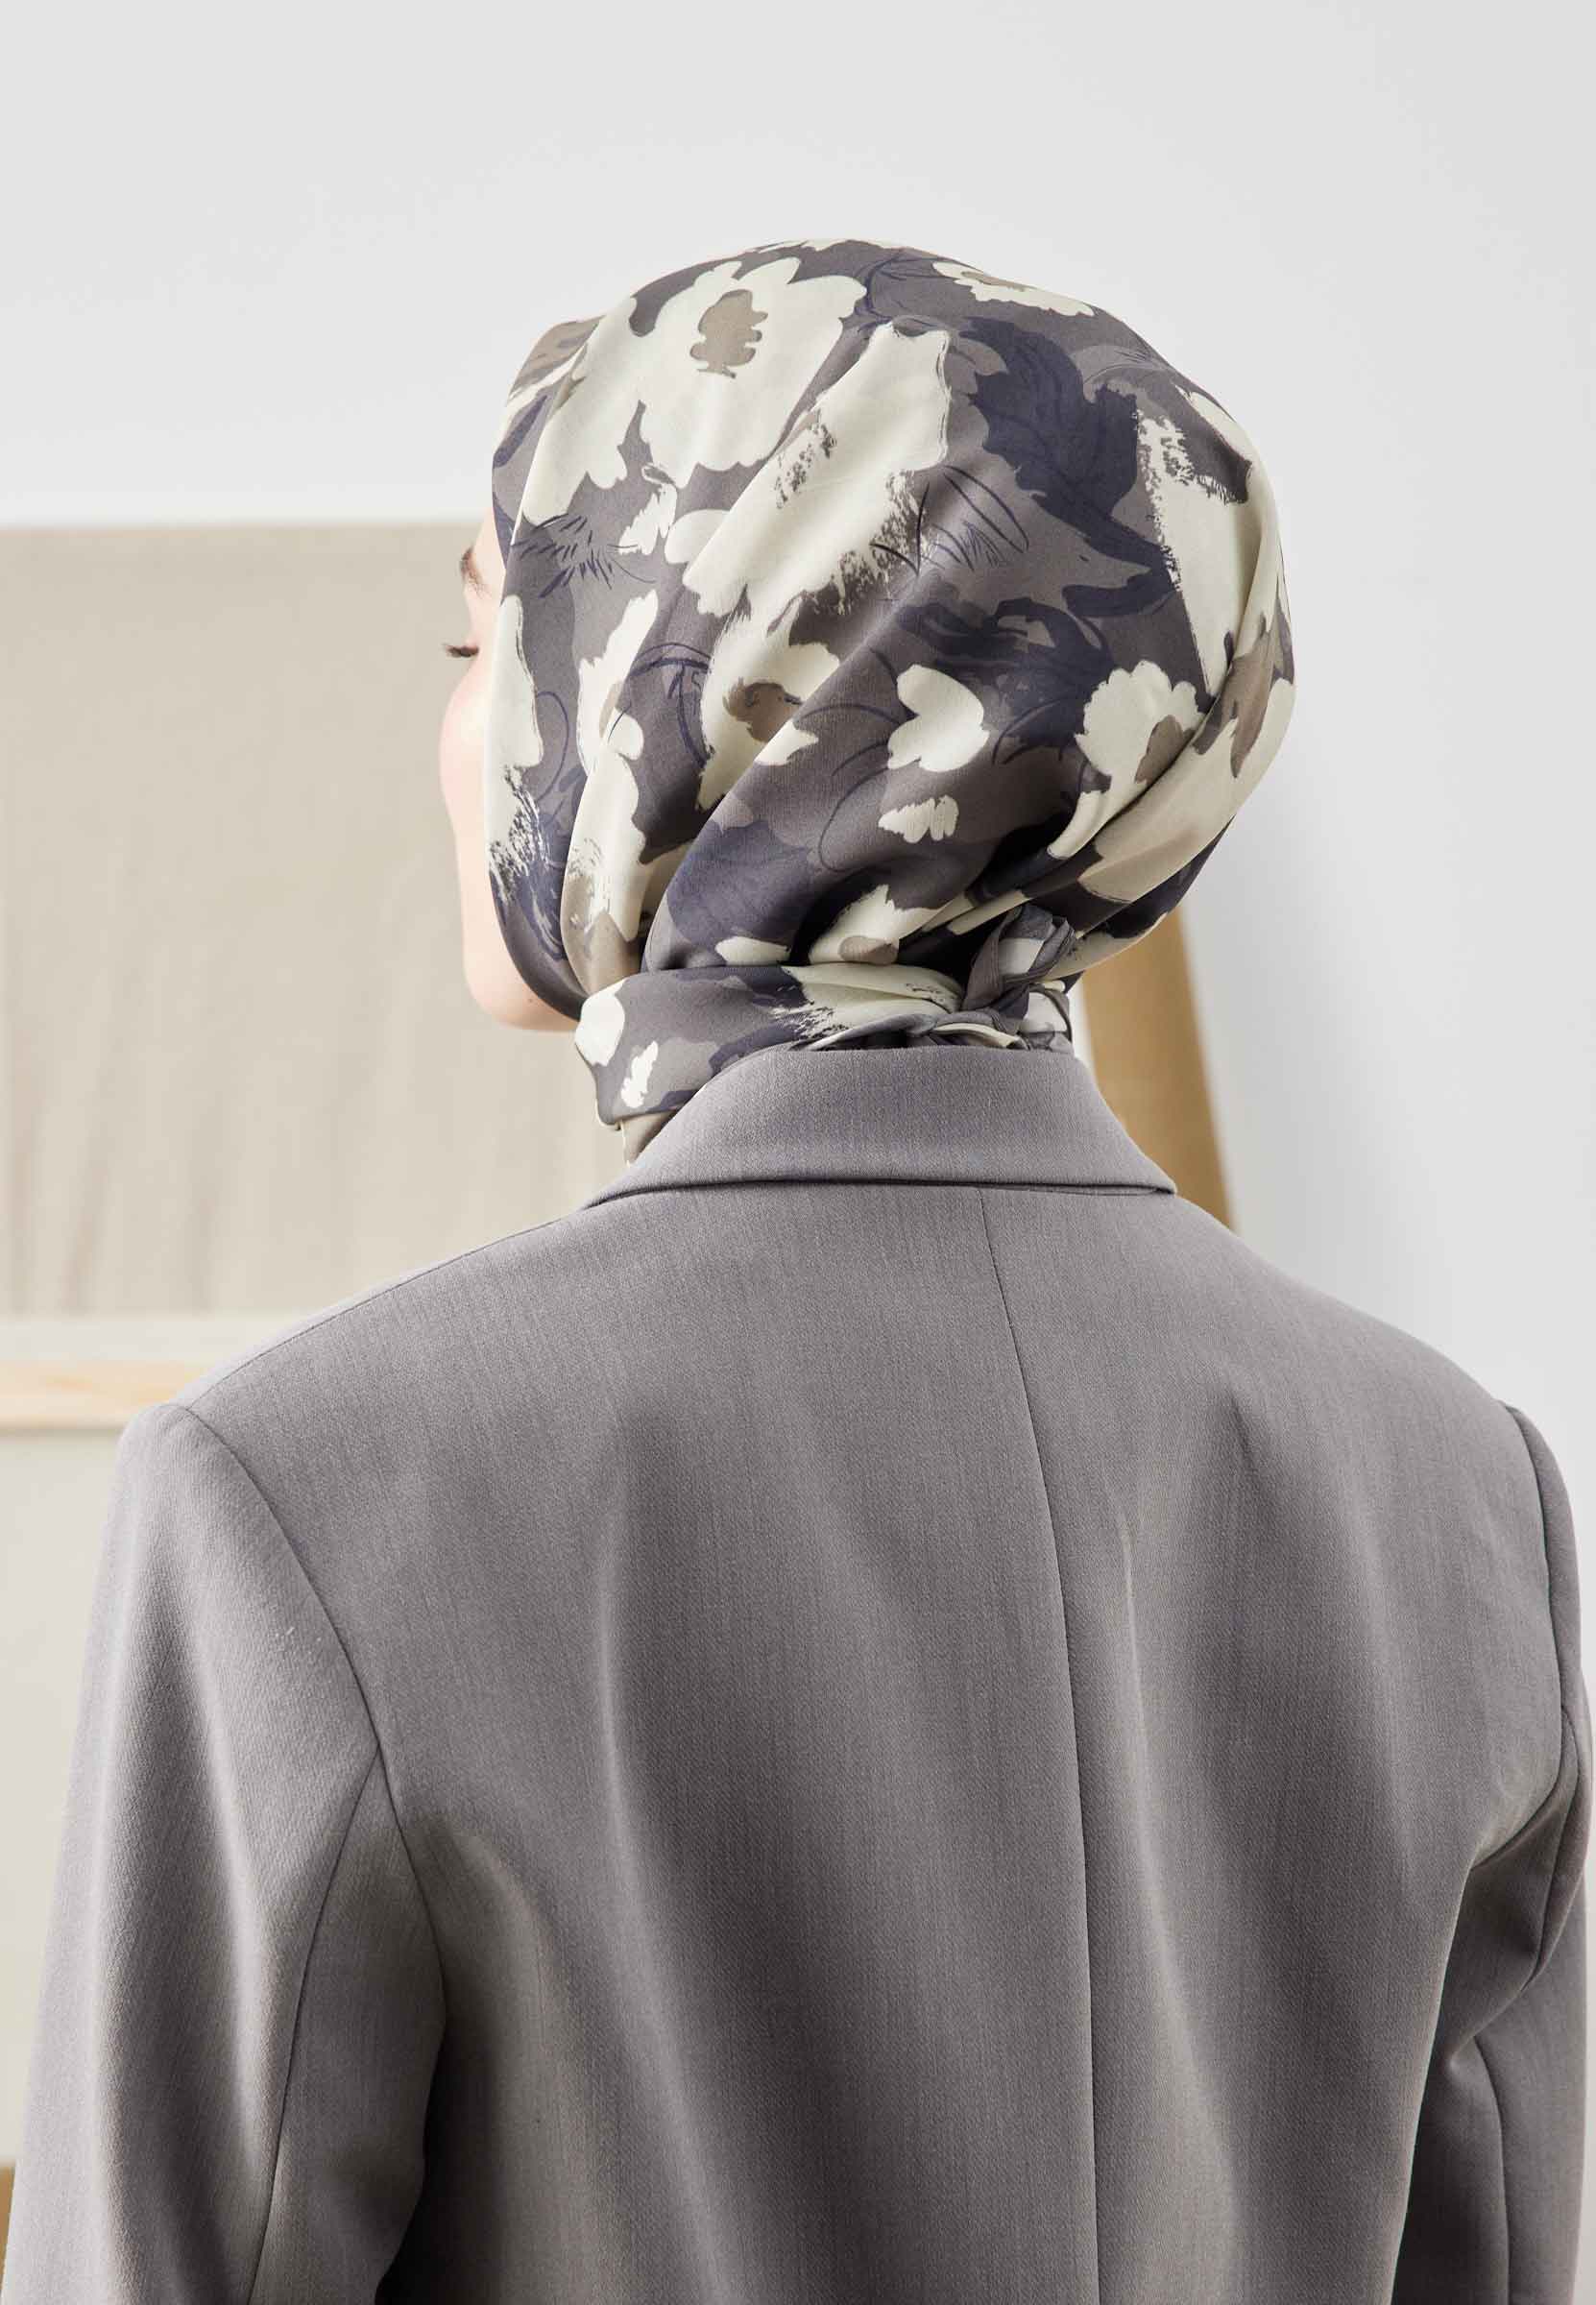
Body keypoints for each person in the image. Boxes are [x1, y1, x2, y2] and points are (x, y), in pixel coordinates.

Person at [3, 235, 1586, 2303]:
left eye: (485, 644)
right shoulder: (1462, 1499)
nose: (463, 733)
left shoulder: (298, 1491)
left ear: (669, 697)